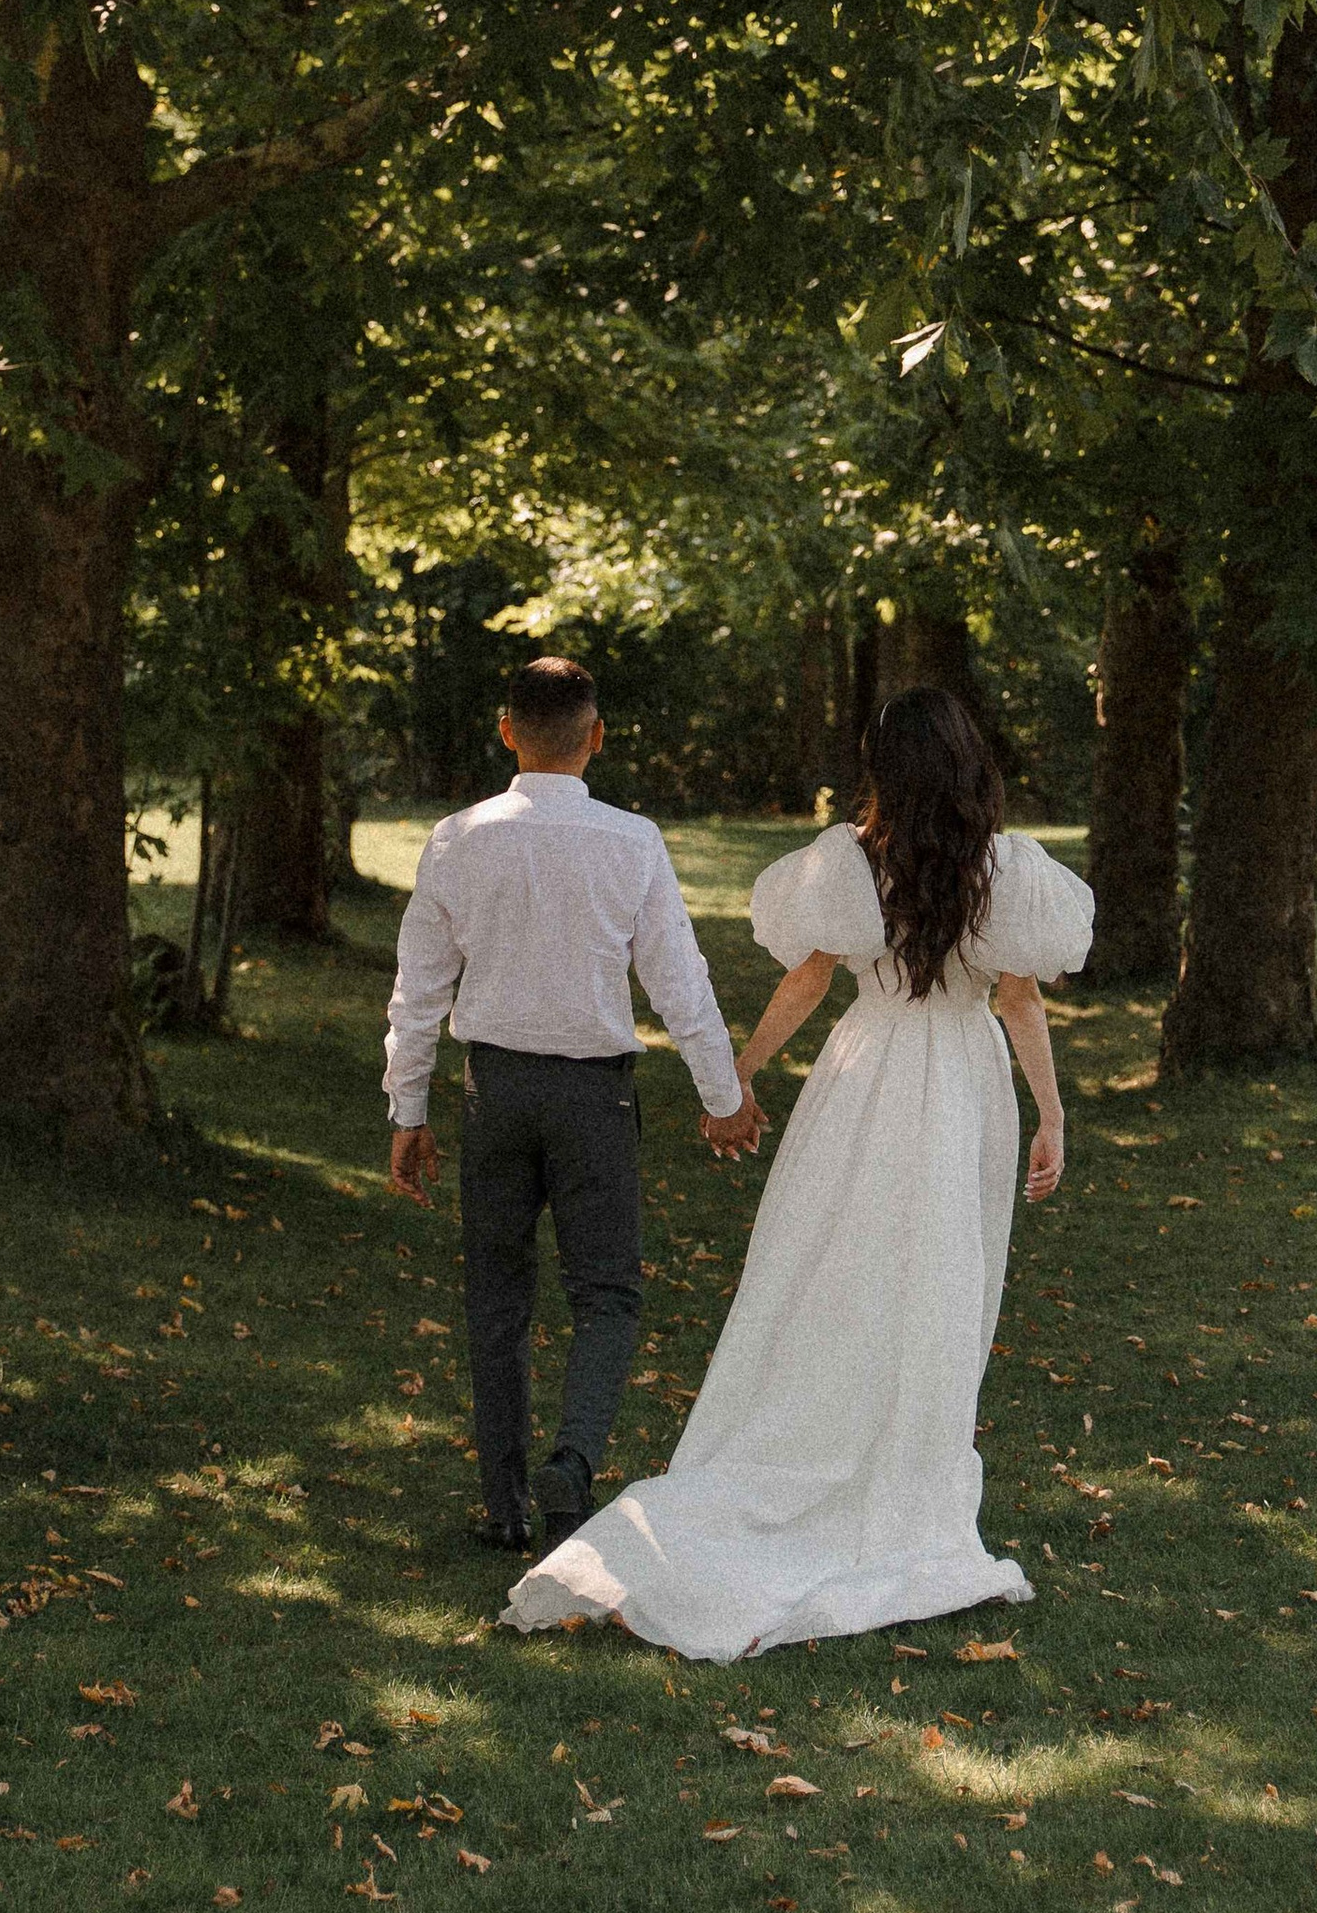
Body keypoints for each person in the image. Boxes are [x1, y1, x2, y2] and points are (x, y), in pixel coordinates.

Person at [502, 685, 1091, 1659]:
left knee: (839, 1264)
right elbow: (1020, 1001)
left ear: (882, 767)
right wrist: (1051, 1114)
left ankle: (838, 1442)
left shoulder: (854, 860)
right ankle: (900, 1466)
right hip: (963, 1080)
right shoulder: (1003, 869)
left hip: (866, 1070)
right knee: (939, 1277)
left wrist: (739, 1073)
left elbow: (810, 980)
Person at [383, 655, 763, 1553]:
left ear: (506, 731)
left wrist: (409, 1111)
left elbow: (418, 990)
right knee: (607, 1294)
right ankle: (574, 1455)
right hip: (593, 1098)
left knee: (497, 1297)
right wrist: (723, 1095)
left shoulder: (456, 838)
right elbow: (679, 980)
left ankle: (506, 1505)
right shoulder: (631, 841)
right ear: (596, 737)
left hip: (495, 1092)